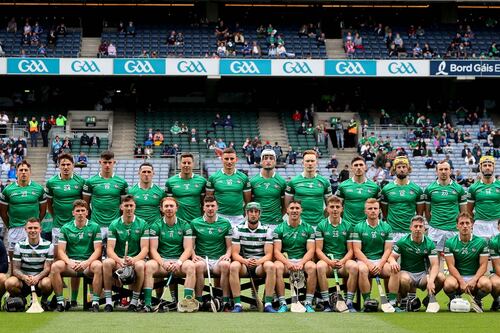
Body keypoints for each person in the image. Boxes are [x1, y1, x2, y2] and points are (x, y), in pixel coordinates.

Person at [143, 197, 197, 312]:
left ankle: (187, 302)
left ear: (176, 208)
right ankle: (147, 303)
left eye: (171, 206)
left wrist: (179, 262)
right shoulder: (155, 225)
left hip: (179, 261)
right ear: (161, 209)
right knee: (148, 266)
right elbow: (152, 250)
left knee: (191, 266)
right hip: (162, 261)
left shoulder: (185, 225)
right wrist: (163, 263)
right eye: (166, 206)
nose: (169, 209)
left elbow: (188, 249)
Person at [45, 153, 85, 306]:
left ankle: (74, 299)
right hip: (58, 227)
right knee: (57, 261)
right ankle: (59, 297)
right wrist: (57, 218)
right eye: (63, 164)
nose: (66, 167)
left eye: (68, 164)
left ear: (73, 165)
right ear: (58, 166)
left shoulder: (80, 182)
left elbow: (83, 203)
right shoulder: (51, 182)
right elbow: (49, 204)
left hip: (76, 227)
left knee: (76, 260)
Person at [49, 200, 103, 312]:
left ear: (87, 212)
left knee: (98, 266)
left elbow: (98, 249)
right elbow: (61, 251)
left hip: (88, 264)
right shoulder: (65, 228)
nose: (80, 213)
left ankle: (95, 302)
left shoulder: (95, 227)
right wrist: (69, 262)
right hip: (71, 264)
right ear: (73, 213)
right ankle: (60, 302)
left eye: (83, 210)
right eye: (77, 211)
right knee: (55, 267)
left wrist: (87, 262)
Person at [102, 195, 149, 312]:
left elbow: (145, 249)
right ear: (121, 207)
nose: (129, 208)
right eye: (126, 206)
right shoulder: (114, 224)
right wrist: (119, 260)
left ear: (135, 207)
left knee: (140, 266)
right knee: (107, 263)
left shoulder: (143, 224)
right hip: (119, 260)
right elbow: (110, 249)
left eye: (131, 205)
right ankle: (108, 301)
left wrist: (134, 259)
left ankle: (134, 301)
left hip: (135, 260)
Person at [389, 215, 445, 310]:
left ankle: (428, 299)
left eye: (420, 226)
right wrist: (393, 262)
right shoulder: (402, 241)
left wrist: (431, 281)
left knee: (441, 277)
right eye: (415, 226)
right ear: (410, 228)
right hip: (407, 273)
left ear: (424, 229)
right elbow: (391, 257)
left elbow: (435, 265)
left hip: (423, 276)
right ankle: (403, 299)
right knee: (404, 280)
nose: (418, 229)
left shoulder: (430, 243)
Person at [352, 199, 399, 310]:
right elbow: (357, 250)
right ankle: (367, 301)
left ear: (379, 211)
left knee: (395, 268)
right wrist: (369, 264)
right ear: (365, 211)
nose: (373, 211)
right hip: (364, 260)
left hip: (381, 260)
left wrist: (380, 264)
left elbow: (388, 250)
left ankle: (392, 302)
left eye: (375, 208)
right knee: (363, 270)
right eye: (370, 209)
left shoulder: (386, 227)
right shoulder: (358, 227)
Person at [229, 202, 277, 312]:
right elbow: (235, 254)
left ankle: (268, 303)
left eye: (256, 212)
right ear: (246, 213)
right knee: (233, 266)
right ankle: (237, 304)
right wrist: (245, 261)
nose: (253, 214)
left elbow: (269, 254)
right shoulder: (237, 229)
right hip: (244, 264)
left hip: (260, 264)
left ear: (260, 214)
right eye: (251, 211)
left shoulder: (267, 230)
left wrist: (259, 261)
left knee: (270, 266)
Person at [315, 196, 358, 312]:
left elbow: (351, 250)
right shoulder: (321, 225)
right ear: (327, 209)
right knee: (319, 266)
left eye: (337, 207)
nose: (335, 209)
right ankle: (326, 303)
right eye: (332, 207)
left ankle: (349, 302)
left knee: (354, 267)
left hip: (343, 262)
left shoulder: (348, 226)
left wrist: (342, 261)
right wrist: (329, 262)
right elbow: (318, 250)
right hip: (327, 262)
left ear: (342, 209)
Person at [274, 200, 317, 312]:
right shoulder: (279, 228)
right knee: (277, 267)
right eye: (292, 208)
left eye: (297, 208)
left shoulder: (308, 228)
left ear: (301, 210)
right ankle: (282, 302)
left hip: (302, 260)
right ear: (287, 210)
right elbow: (277, 251)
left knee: (312, 267)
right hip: (285, 260)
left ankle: (308, 302)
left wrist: (301, 263)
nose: (294, 210)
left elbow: (311, 250)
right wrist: (288, 263)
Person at [0, 161, 46, 266]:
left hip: (32, 228)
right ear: (16, 173)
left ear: (30, 172)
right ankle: (14, 280)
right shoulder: (8, 190)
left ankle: (34, 280)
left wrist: (35, 224)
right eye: (21, 170)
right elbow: (3, 212)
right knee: (14, 261)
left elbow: (43, 211)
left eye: (26, 170)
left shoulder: (38, 189)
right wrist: (10, 226)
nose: (23, 172)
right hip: (15, 228)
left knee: (35, 258)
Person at [443, 212, 491, 311]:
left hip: (475, 276)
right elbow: (451, 266)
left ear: (472, 225)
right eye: (461, 223)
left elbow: (483, 265)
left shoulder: (481, 242)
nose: (465, 226)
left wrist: (473, 280)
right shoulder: (449, 242)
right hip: (457, 277)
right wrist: (461, 281)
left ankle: (476, 301)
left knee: (487, 284)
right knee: (448, 285)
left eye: (467, 223)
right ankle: (454, 300)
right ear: (457, 226)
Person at [191, 197, 232, 309]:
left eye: (212, 206)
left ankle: (225, 300)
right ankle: (198, 301)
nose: (210, 208)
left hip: (219, 259)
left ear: (217, 207)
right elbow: (190, 246)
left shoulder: (225, 223)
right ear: (203, 207)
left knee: (226, 265)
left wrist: (227, 255)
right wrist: (194, 255)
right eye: (207, 206)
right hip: (203, 259)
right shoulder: (195, 223)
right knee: (198, 266)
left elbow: (229, 247)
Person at [4, 218, 53, 309]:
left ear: (40, 229)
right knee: (9, 283)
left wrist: (37, 277)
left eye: (35, 228)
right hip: (24, 281)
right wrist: (25, 277)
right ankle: (21, 299)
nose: (33, 230)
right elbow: (15, 269)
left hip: (40, 281)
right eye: (30, 228)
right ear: (25, 229)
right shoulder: (19, 245)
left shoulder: (49, 245)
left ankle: (44, 301)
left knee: (47, 283)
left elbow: (47, 268)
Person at [83, 151, 128, 244]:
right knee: (96, 253)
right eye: (105, 162)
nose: (107, 165)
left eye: (110, 162)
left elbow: (123, 206)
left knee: (112, 253)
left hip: (114, 224)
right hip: (96, 224)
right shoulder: (90, 182)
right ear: (100, 162)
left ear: (114, 163)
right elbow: (85, 204)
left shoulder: (122, 183)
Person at [424, 161, 467, 253]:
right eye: (441, 169)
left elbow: (463, 213)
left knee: (454, 259)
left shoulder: (459, 189)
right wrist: (433, 223)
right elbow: (427, 212)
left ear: (450, 171)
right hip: (435, 229)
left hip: (453, 229)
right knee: (434, 259)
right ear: (436, 171)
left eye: (446, 169)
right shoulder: (429, 189)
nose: (443, 171)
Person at [380, 157, 424, 242]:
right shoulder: (386, 189)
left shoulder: (417, 189)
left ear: (408, 169)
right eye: (399, 167)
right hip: (392, 231)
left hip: (410, 231)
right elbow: (385, 213)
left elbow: (419, 214)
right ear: (394, 169)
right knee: (391, 255)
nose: (402, 169)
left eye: (404, 167)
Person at [285, 150, 332, 228]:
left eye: (312, 161)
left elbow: (329, 206)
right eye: (307, 161)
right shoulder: (293, 182)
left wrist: (322, 219)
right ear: (303, 163)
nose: (310, 163)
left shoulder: (325, 182)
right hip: (300, 225)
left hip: (319, 225)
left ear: (316, 162)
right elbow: (288, 207)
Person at [206, 148, 251, 227]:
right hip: (219, 216)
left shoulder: (244, 177)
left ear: (236, 159)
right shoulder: (213, 177)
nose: (229, 161)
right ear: (222, 160)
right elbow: (209, 199)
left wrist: (246, 216)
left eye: (232, 159)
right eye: (226, 159)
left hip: (238, 217)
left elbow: (247, 201)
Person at [336, 156, 380, 226]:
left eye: (361, 165)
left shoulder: (374, 187)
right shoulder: (343, 186)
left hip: (366, 228)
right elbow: (338, 207)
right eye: (356, 165)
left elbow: (378, 209)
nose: (358, 167)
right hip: (348, 226)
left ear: (365, 167)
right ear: (352, 168)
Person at [165, 153, 207, 222]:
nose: (186, 165)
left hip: (196, 220)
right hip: (178, 221)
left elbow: (204, 202)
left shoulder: (202, 181)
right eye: (184, 163)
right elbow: (168, 202)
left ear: (193, 164)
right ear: (180, 164)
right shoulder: (170, 182)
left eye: (189, 163)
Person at [250, 149, 286, 229]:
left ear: (275, 161)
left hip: (276, 223)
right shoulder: (253, 181)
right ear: (261, 161)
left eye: (271, 158)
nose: (268, 161)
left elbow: (285, 205)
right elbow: (248, 202)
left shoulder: (282, 182)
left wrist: (278, 216)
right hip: (258, 223)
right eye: (265, 158)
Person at [467, 156, 500, 241]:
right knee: (481, 253)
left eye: (490, 165)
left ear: (494, 167)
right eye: (485, 165)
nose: (487, 167)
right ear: (480, 167)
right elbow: (469, 210)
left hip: (497, 223)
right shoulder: (473, 188)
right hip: (480, 225)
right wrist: (475, 222)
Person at [490, 220, 500, 311]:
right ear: (498, 228)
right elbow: (497, 267)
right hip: (498, 273)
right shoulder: (494, 242)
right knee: (496, 284)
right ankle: (497, 300)